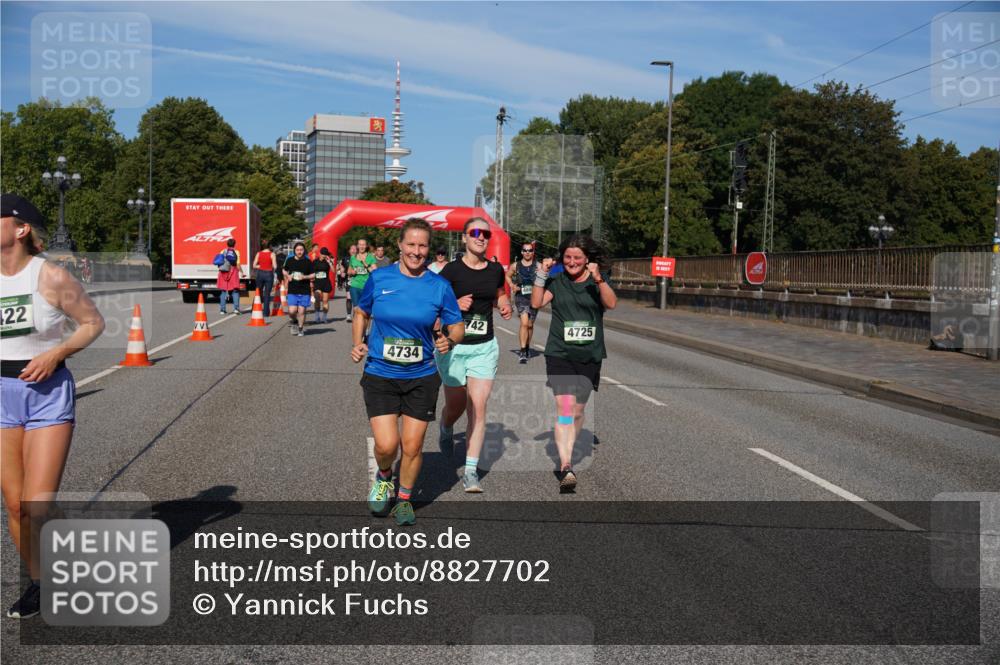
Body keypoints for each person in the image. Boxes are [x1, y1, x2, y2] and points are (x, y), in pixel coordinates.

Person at [1, 194, 105, 618]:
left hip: (46, 395)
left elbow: (94, 323)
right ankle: (40, 576)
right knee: (14, 506)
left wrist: (56, 354)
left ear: (20, 228)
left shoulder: (51, 277)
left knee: (36, 505)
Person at [352, 219, 464, 525]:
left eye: (423, 245)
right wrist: (358, 342)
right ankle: (385, 475)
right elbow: (362, 311)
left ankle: (404, 499)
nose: (417, 251)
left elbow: (457, 324)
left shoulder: (439, 286)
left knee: (412, 446)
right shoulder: (380, 278)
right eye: (411, 244)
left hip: (421, 376)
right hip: (381, 373)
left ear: (429, 249)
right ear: (400, 246)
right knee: (387, 445)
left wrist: (450, 339)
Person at [530, 235, 616, 492]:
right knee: (565, 409)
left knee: (578, 412)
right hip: (560, 353)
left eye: (577, 257)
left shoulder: (596, 281)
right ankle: (566, 464)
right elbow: (535, 303)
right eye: (567, 257)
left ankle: (567, 450)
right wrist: (541, 274)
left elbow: (611, 304)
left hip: (589, 355)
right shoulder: (556, 281)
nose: (572, 261)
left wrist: (598, 278)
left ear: (586, 258)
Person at [437, 218, 512, 492]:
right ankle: (445, 426)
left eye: (485, 233)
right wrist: (454, 305)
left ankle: (470, 471)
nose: (481, 237)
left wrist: (504, 305)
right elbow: (434, 305)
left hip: (483, 347)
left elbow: (500, 294)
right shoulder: (451, 271)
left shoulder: (494, 270)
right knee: (455, 407)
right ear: (465, 238)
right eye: (475, 233)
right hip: (455, 347)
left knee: (478, 407)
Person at [506, 241, 540, 363]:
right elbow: (508, 276)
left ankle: (527, 347)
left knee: (530, 325)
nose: (527, 252)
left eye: (530, 250)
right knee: (524, 323)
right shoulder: (516, 265)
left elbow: (546, 276)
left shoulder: (538, 265)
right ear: (521, 252)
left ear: (533, 252)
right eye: (525, 250)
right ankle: (522, 350)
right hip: (521, 297)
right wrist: (511, 285)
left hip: (534, 297)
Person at [282, 242, 314, 336]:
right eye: (297, 250)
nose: (299, 252)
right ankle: (294, 321)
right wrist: (288, 275)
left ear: (304, 251)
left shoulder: (308, 262)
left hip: (304, 289)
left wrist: (305, 277)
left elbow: (313, 274)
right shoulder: (290, 260)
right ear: (294, 251)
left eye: (301, 250)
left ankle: (300, 328)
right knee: (292, 311)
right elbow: (284, 270)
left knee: (302, 311)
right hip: (293, 289)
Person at [215, 238, 242, 314]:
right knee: (235, 291)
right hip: (233, 272)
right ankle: (236, 309)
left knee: (223, 291)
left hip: (223, 272)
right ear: (234, 244)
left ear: (227, 244)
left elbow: (219, 262)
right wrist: (242, 272)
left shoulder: (222, 251)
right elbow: (238, 264)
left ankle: (222, 310)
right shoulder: (236, 252)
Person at [252, 239, 275, 317]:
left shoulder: (258, 253)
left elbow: (254, 265)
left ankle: (254, 309)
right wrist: (269, 266)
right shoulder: (272, 254)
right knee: (267, 294)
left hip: (260, 273)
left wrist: (261, 266)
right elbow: (275, 266)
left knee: (258, 292)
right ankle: (266, 313)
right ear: (269, 246)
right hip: (269, 274)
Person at [312, 247, 335, 324]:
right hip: (317, 283)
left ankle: (324, 317)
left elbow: (333, 271)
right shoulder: (315, 262)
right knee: (317, 299)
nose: (325, 256)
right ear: (320, 254)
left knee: (325, 301)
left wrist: (330, 263)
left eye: (326, 254)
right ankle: (317, 316)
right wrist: (311, 281)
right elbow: (311, 272)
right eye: (324, 254)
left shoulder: (328, 262)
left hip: (325, 283)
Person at [340, 244, 357, 322]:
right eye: (352, 249)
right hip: (349, 280)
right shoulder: (345, 259)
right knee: (349, 298)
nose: (353, 250)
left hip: (358, 281)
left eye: (355, 249)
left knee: (357, 299)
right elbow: (342, 268)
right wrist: (342, 272)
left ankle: (356, 314)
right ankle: (349, 315)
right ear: (349, 251)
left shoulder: (360, 258)